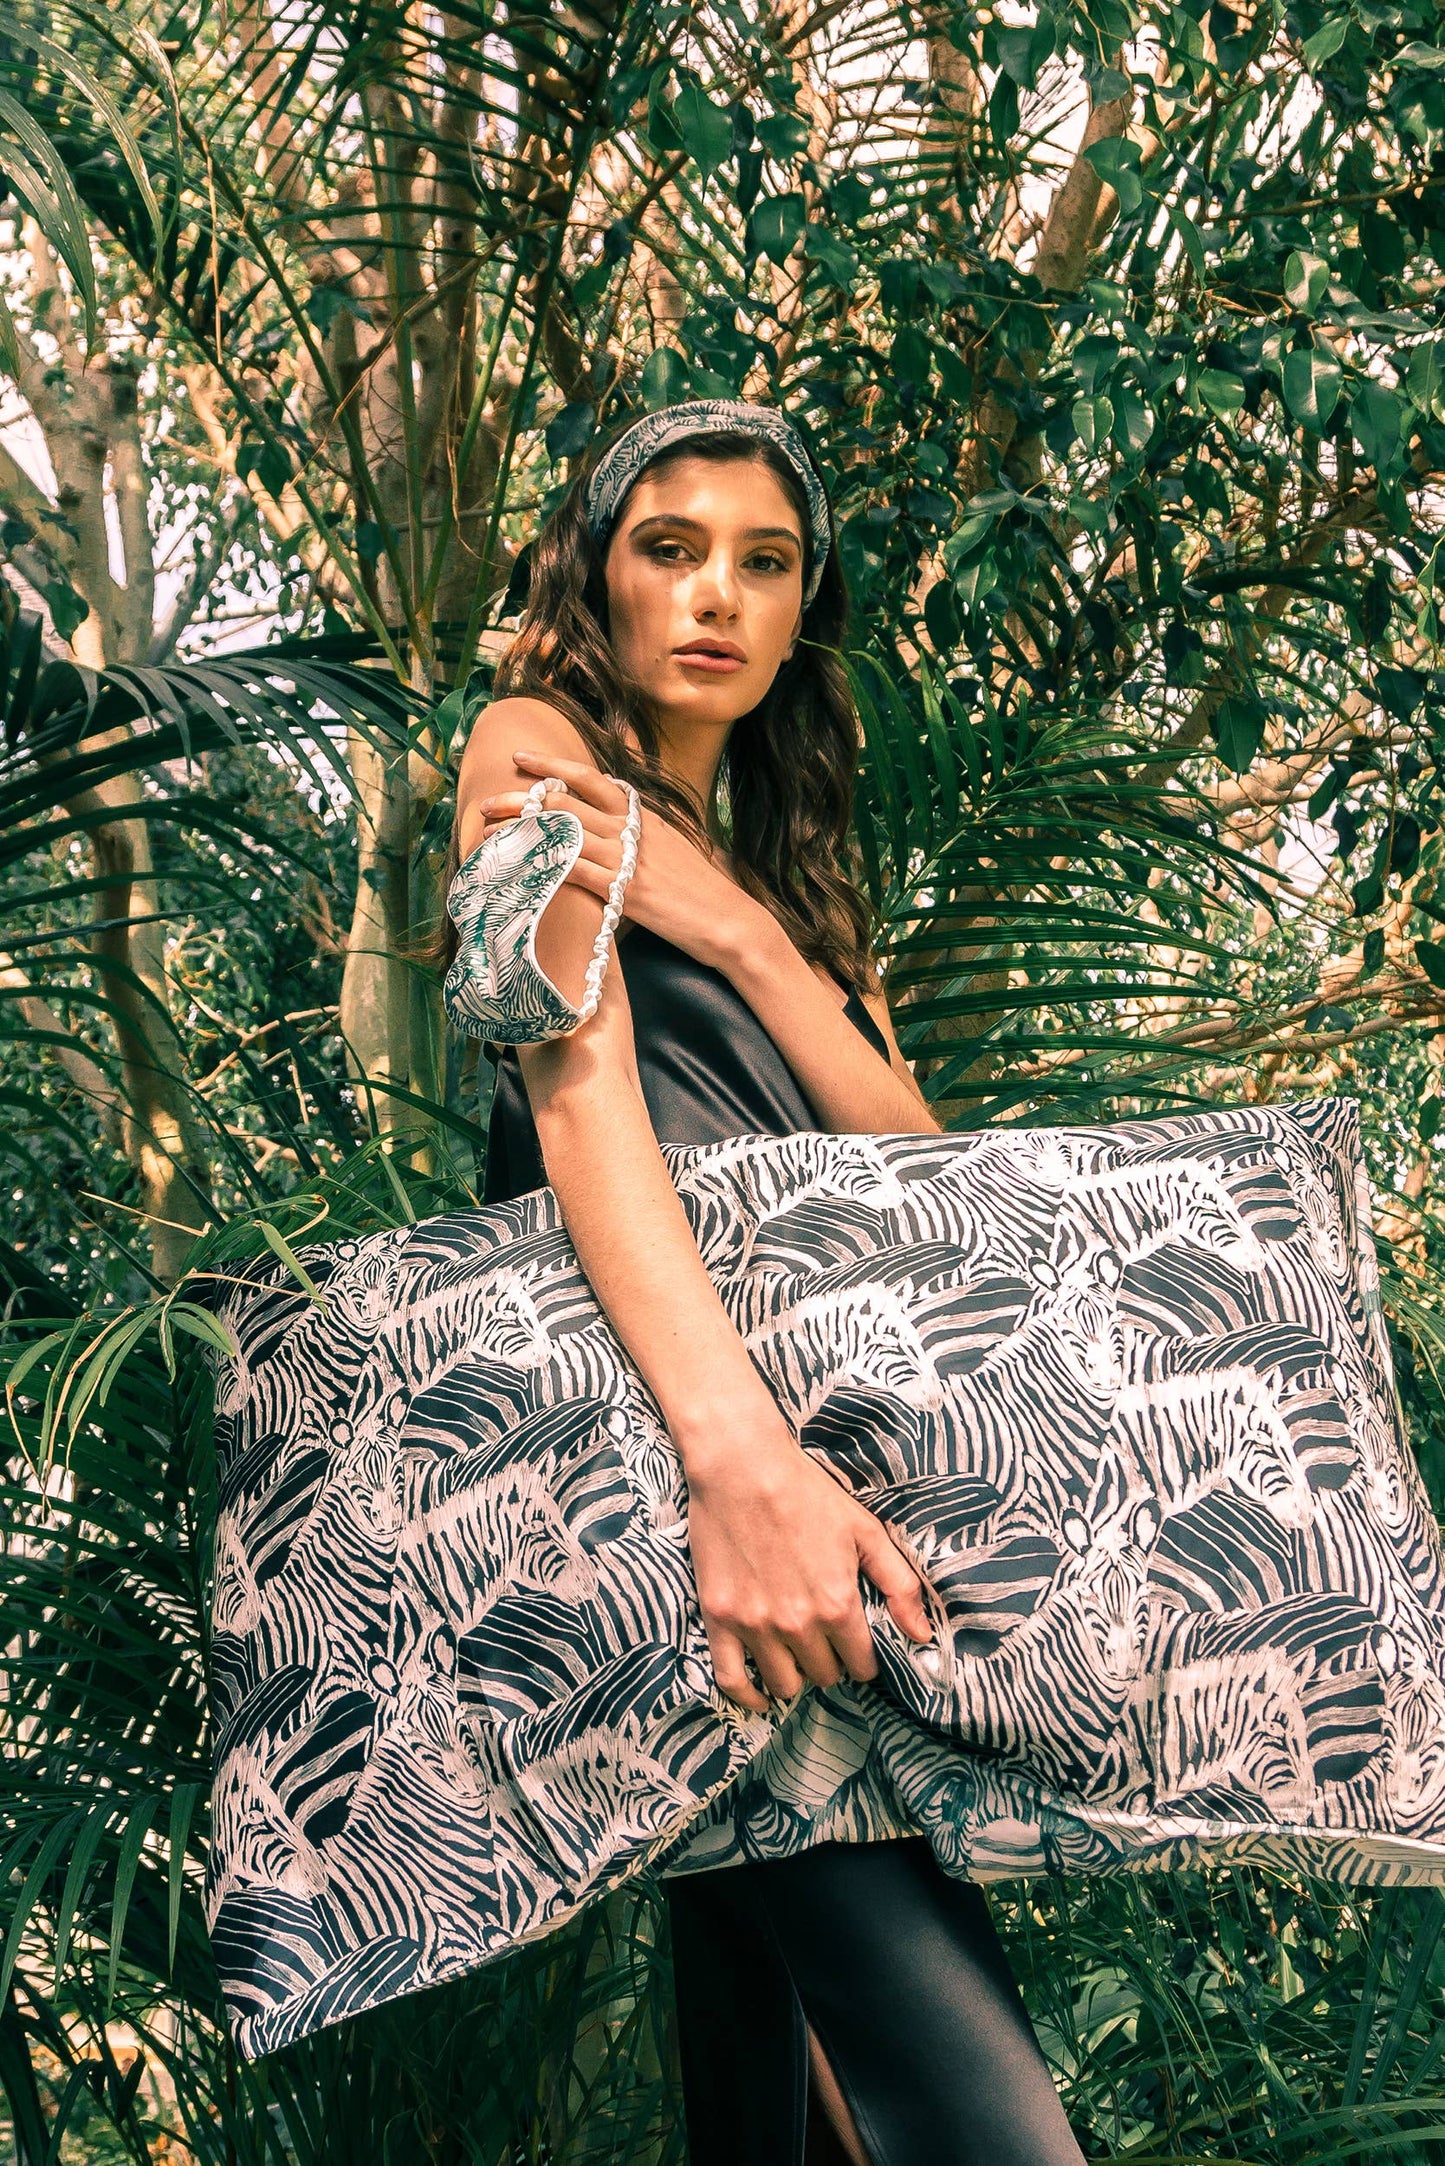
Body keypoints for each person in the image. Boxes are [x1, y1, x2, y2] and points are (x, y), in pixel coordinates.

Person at [441, 400, 1087, 2166]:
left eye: (765, 560)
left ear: (804, 607)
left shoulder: (786, 857)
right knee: (979, 2123)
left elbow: (914, 1151)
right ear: (595, 575)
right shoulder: (530, 742)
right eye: (669, 548)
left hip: (825, 1475)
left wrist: (735, 928)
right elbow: (575, 1101)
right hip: (698, 1467)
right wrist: (737, 1468)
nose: (715, 593)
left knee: (778, 2096)